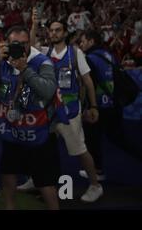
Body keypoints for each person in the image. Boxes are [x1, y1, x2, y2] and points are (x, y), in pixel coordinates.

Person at [0, 25, 60, 210]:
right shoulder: (1, 62)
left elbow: (47, 90)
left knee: (44, 181)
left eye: (24, 44)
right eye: (15, 44)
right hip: (12, 133)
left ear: (30, 44)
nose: (21, 48)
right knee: (8, 173)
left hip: (37, 133)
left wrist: (25, 70)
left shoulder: (41, 62)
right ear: (6, 44)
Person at [29, 18, 103, 202]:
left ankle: (95, 185)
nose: (53, 33)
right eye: (51, 30)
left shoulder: (75, 53)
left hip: (69, 111)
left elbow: (88, 82)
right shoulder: (45, 52)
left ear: (65, 33)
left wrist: (93, 106)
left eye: (57, 30)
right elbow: (29, 47)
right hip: (48, 111)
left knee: (79, 150)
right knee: (42, 149)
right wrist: (34, 25)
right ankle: (39, 181)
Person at [80, 30, 142, 178]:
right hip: (114, 105)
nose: (81, 44)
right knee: (119, 139)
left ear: (91, 41)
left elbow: (90, 85)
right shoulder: (109, 55)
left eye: (83, 41)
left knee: (91, 138)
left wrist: (89, 107)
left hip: (100, 106)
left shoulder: (89, 58)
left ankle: (97, 171)